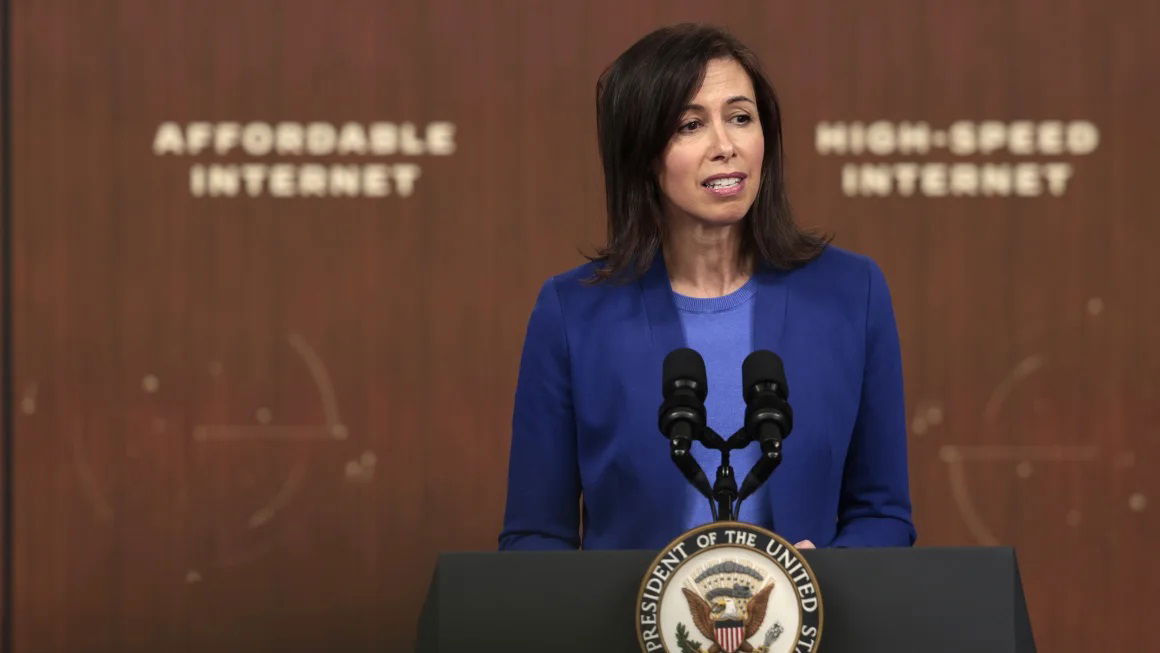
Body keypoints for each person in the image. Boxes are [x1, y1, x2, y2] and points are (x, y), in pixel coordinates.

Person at [499, 24, 915, 551]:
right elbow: (535, 537)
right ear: (644, 154)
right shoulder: (573, 312)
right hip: (624, 631)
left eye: (740, 118)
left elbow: (883, 513)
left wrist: (818, 582)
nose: (725, 146)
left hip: (812, 630)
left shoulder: (851, 293)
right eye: (689, 125)